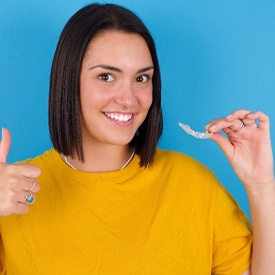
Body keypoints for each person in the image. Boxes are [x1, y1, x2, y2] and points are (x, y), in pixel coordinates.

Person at [0, 3, 274, 274]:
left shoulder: (193, 185)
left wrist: (261, 185)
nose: (129, 99)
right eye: (106, 76)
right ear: (69, 81)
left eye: (142, 79)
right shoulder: (13, 195)